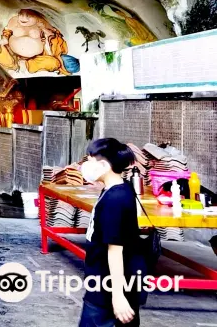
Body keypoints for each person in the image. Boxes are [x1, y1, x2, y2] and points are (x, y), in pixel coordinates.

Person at [79, 138, 144, 327]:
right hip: (101, 285)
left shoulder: (115, 199)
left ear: (103, 165)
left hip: (105, 292)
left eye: (89, 160)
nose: (85, 165)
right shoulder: (115, 190)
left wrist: (118, 297)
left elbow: (115, 251)